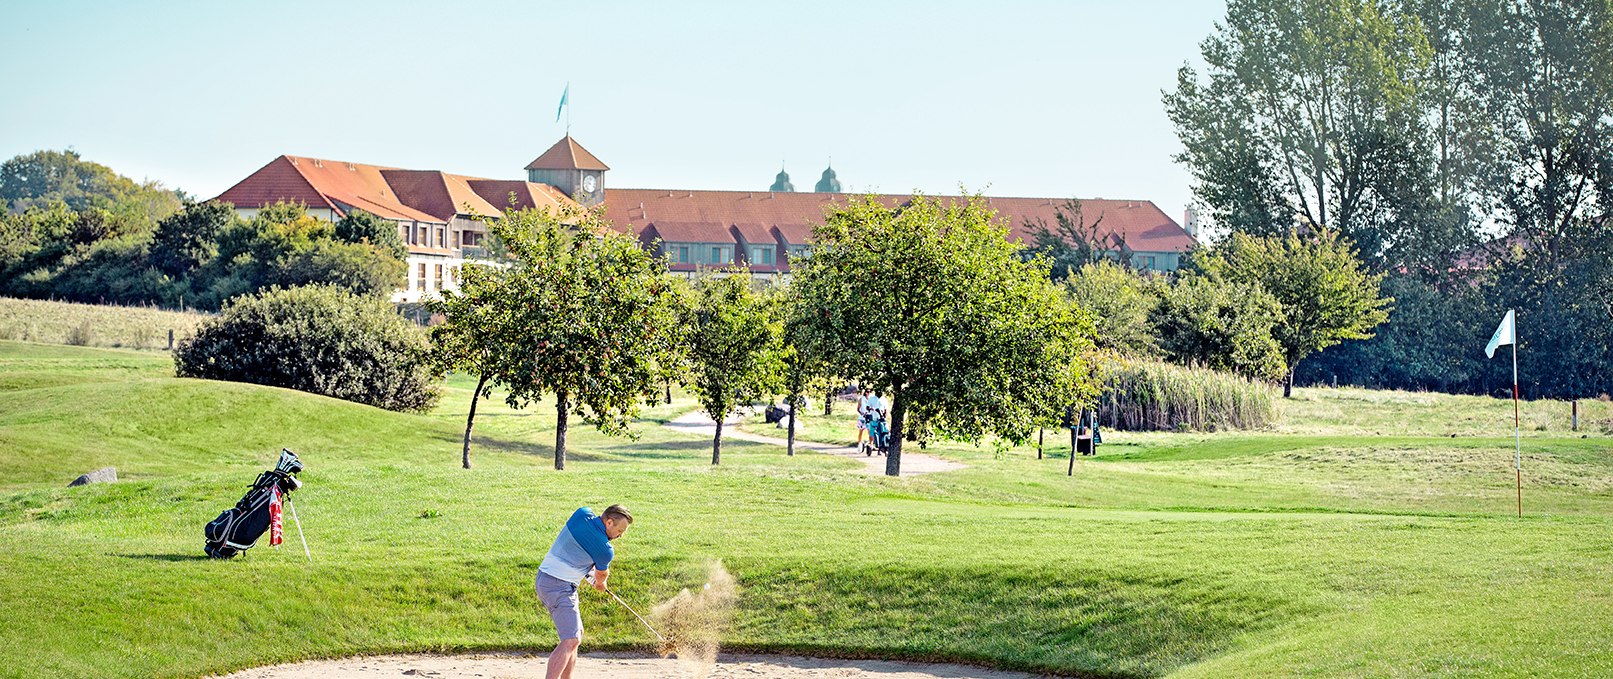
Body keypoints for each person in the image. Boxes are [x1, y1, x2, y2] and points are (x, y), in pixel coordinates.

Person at [536, 504, 634, 679]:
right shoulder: (605, 550)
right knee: (571, 640)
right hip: (558, 586)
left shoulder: (581, 514)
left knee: (576, 636)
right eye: (620, 530)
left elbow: (580, 552)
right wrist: (600, 583)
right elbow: (601, 575)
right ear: (609, 522)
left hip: (546, 579)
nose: (621, 535)